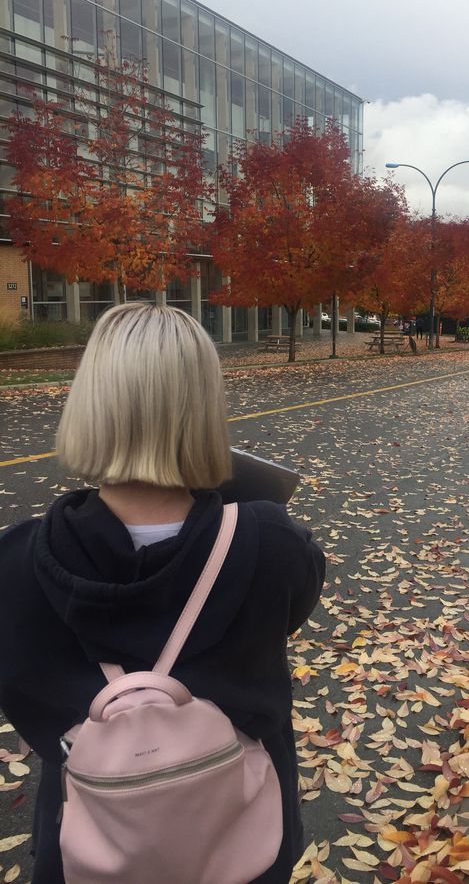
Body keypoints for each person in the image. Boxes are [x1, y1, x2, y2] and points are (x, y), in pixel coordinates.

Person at [0, 303, 325, 884]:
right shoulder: (273, 540)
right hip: (245, 830)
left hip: (90, 836)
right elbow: (288, 616)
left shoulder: (17, 562)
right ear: (205, 408)